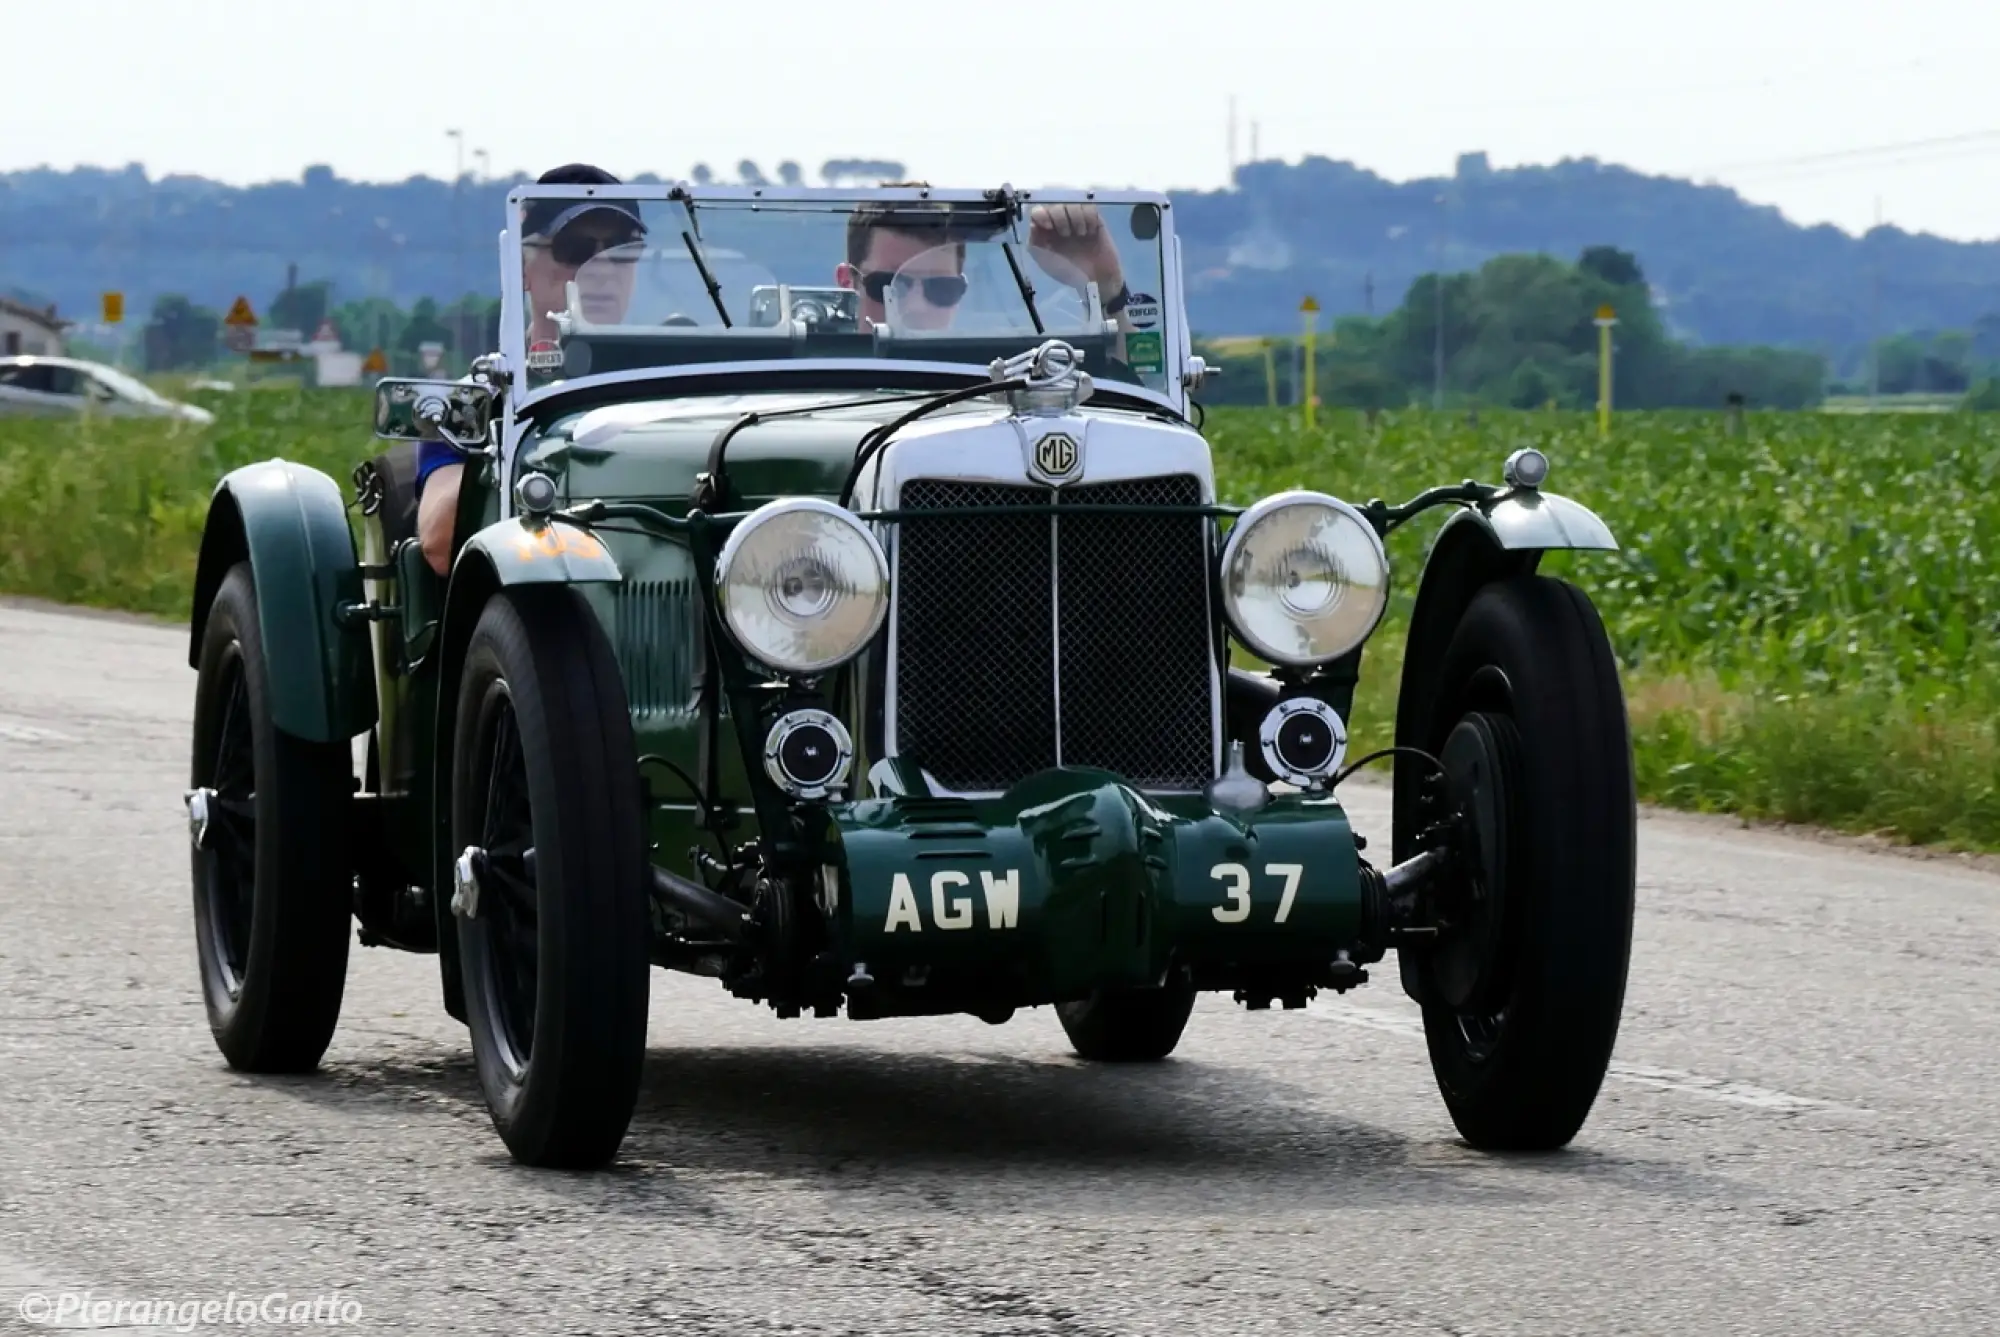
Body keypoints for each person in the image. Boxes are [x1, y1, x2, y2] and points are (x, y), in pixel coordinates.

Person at [413, 163, 646, 575]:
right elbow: (440, 543)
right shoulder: (474, 405)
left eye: (622, 249)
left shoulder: (671, 390)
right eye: (575, 250)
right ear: (521, 265)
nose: (602, 270)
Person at [834, 187, 1135, 335]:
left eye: (941, 289)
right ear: (849, 282)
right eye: (888, 286)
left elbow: (1131, 394)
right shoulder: (810, 382)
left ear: (961, 288)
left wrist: (1106, 290)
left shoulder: (1000, 381)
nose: (915, 306)